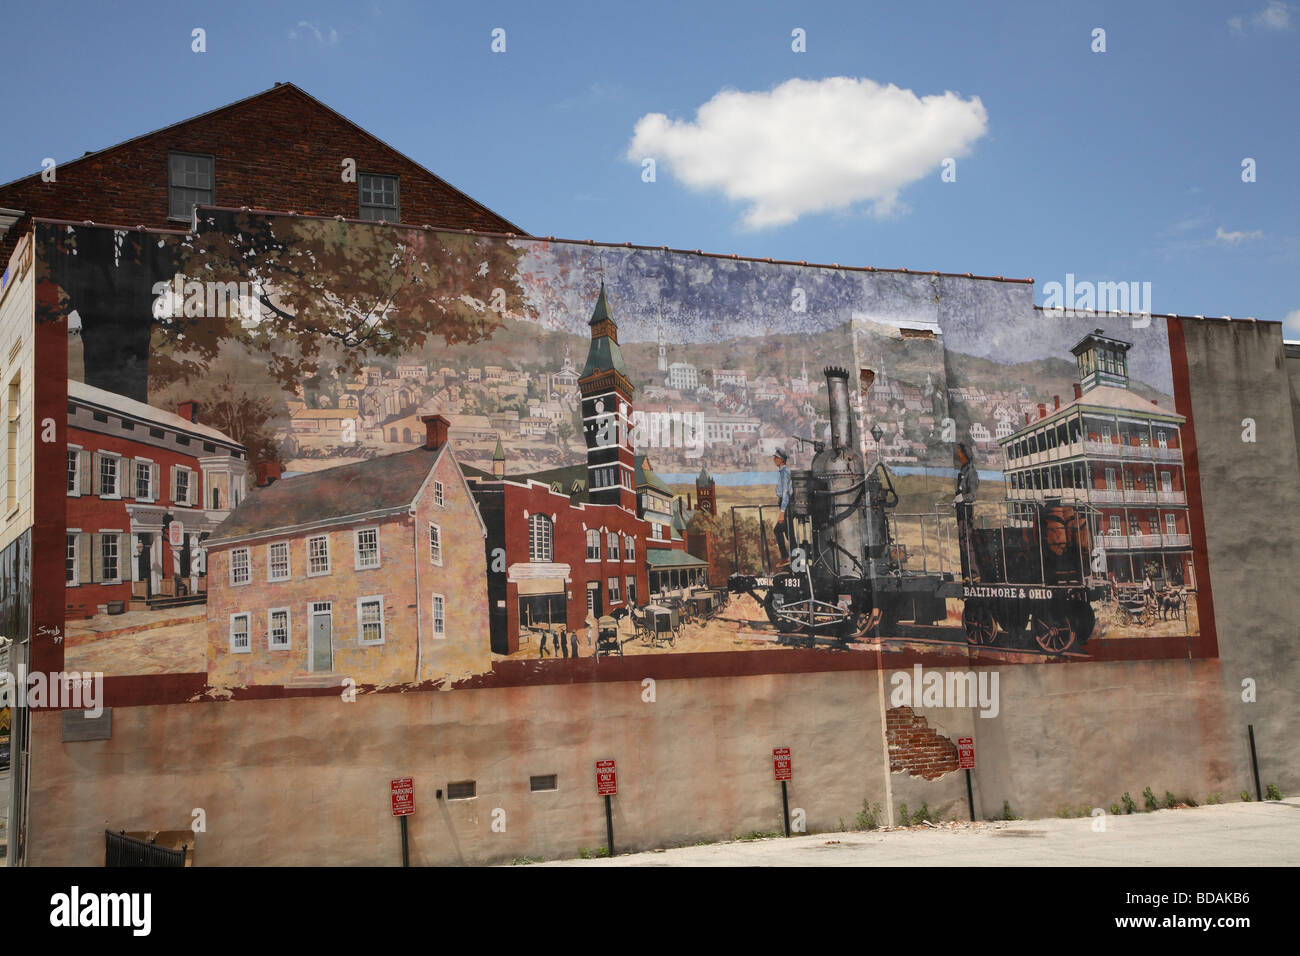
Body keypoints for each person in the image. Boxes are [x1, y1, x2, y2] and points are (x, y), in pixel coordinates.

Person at [954, 443, 980, 582]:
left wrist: (961, 498)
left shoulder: (972, 472)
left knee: (967, 542)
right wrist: (956, 499)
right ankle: (966, 574)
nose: (958, 455)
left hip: (967, 512)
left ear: (965, 454)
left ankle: (974, 574)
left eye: (959, 452)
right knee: (962, 543)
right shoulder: (963, 470)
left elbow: (972, 495)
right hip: (960, 512)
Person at [772, 448, 793, 565]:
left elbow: (785, 493)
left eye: (776, 458)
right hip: (785, 505)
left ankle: (786, 557)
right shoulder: (783, 472)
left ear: (781, 460)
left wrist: (782, 512)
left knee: (780, 531)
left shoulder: (785, 472)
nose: (774, 460)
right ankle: (792, 557)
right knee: (789, 533)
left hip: (786, 506)